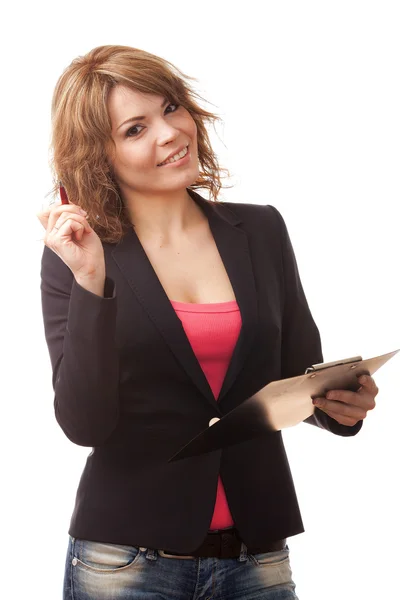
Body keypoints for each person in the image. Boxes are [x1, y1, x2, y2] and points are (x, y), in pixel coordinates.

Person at [37, 45, 378, 600]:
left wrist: (341, 407)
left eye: (172, 108)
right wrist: (91, 283)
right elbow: (84, 424)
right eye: (135, 128)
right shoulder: (78, 258)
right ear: (100, 157)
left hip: (257, 554)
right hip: (127, 562)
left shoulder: (261, 231)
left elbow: (298, 374)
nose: (170, 133)